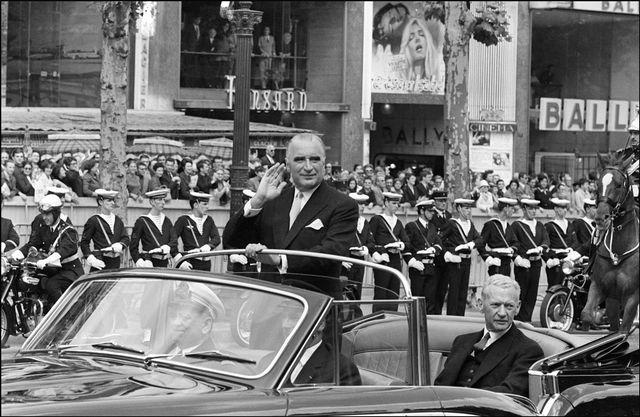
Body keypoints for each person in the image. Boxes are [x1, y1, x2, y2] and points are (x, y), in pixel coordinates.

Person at [223, 133, 358, 299]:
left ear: (324, 162)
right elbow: (232, 242)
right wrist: (257, 200)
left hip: (315, 310)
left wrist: (280, 260)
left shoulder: (343, 204)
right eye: (300, 159)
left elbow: (331, 252)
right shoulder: (273, 199)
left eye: (314, 159)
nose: (308, 167)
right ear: (287, 164)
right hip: (268, 306)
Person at [434, 275, 544, 396]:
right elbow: (440, 386)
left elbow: (509, 395)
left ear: (517, 308)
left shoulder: (528, 351)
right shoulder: (461, 341)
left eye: (509, 306)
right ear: (480, 305)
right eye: (495, 305)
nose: (502, 313)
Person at [11, 194, 83, 307]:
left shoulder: (68, 230)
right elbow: (32, 244)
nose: (44, 217)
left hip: (70, 270)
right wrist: (15, 255)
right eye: (43, 214)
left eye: (47, 214)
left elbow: (62, 251)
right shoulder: (43, 227)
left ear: (56, 213)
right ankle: (34, 310)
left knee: (52, 285)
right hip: (52, 270)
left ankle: (63, 314)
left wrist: (46, 260)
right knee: (28, 280)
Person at [369, 192, 410, 312]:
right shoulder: (377, 219)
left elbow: (407, 242)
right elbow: (370, 240)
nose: (396, 206)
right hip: (383, 259)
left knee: (394, 291)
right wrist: (379, 252)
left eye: (397, 203)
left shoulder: (398, 222)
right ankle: (377, 318)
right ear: (386, 203)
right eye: (393, 203)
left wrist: (400, 245)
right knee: (381, 291)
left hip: (395, 259)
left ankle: (392, 318)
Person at [510, 197, 550, 322]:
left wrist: (541, 248)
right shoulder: (517, 225)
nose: (533, 211)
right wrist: (518, 259)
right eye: (531, 208)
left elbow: (546, 240)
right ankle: (518, 319)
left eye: (535, 208)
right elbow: (512, 244)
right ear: (524, 209)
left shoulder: (539, 225)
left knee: (532, 293)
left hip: (536, 262)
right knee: (522, 292)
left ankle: (527, 319)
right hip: (523, 264)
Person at [163, 281, 225, 355]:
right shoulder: (164, 350)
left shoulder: (211, 364)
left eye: (185, 317)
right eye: (173, 316)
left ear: (206, 325)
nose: (175, 322)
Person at [441, 198, 480, 316]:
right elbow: (440, 240)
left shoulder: (470, 224)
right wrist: (450, 252)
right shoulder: (452, 223)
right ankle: (452, 317)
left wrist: (472, 244)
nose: (469, 211)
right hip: (455, 261)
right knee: (454, 291)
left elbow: (479, 239)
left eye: (470, 208)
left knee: (463, 291)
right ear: (459, 209)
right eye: (466, 208)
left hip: (467, 260)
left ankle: (460, 316)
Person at [404, 199, 442, 311]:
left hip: (431, 267)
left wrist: (433, 249)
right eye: (430, 211)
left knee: (429, 301)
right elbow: (407, 246)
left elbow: (439, 243)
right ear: (422, 211)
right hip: (418, 267)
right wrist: (411, 261)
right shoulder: (412, 226)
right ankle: (415, 325)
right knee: (417, 299)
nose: (432, 214)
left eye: (433, 211)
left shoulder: (432, 227)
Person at [80, 189, 129, 271]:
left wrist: (120, 245)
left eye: (113, 200)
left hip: (115, 261)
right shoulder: (93, 220)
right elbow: (84, 242)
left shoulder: (117, 220)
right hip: (100, 261)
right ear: (100, 202)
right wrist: (90, 257)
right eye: (109, 200)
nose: (112, 203)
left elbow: (126, 238)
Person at [130, 189, 178, 268]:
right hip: (149, 263)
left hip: (165, 262)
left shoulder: (166, 220)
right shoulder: (142, 221)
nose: (163, 202)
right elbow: (133, 246)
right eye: (159, 199)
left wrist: (168, 246)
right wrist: (138, 260)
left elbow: (174, 240)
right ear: (152, 202)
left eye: (163, 199)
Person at [174, 191, 221, 271]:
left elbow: (216, 238)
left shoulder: (209, 220)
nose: (208, 207)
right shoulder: (183, 220)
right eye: (205, 204)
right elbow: (172, 241)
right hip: (190, 263)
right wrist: (180, 260)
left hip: (206, 263)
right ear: (195, 205)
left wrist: (208, 246)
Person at [342, 193, 375, 300]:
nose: (362, 207)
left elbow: (371, 241)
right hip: (348, 260)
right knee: (346, 292)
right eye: (359, 204)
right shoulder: (344, 221)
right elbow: (339, 242)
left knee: (357, 291)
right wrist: (342, 259)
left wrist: (365, 249)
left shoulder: (364, 222)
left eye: (363, 204)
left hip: (360, 261)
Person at [544, 198, 581, 288]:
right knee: (555, 287)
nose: (564, 210)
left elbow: (576, 241)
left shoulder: (569, 224)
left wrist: (571, 248)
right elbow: (545, 244)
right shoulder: (549, 225)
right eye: (561, 208)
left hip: (569, 259)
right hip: (556, 260)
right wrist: (548, 259)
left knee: (569, 287)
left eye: (565, 208)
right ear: (555, 209)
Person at [477, 197, 518, 278]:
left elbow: (515, 242)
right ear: (505, 208)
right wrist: (488, 259)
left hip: (507, 262)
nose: (513, 211)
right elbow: (480, 244)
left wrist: (512, 249)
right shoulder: (490, 224)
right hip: (496, 262)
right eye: (511, 208)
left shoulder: (508, 225)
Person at [401, 17, 443, 87]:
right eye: (411, 37)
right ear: (406, 48)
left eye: (421, 34)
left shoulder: (439, 70)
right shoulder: (401, 78)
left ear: (427, 41)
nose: (417, 39)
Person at [431, 190, 452, 314]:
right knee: (433, 288)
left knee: (442, 289)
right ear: (434, 202)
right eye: (440, 201)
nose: (443, 203)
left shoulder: (449, 216)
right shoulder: (432, 216)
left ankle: (438, 313)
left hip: (447, 258)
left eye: (444, 201)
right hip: (436, 256)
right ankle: (432, 314)